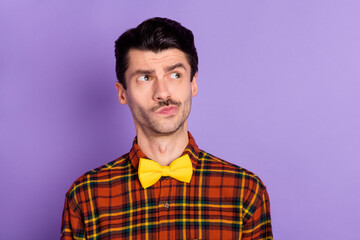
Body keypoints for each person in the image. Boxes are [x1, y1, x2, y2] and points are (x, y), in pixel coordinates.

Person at [61, 17, 272, 240]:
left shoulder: (246, 192)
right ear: (122, 93)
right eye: (145, 77)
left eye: (175, 75)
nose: (162, 92)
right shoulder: (85, 197)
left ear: (193, 84)